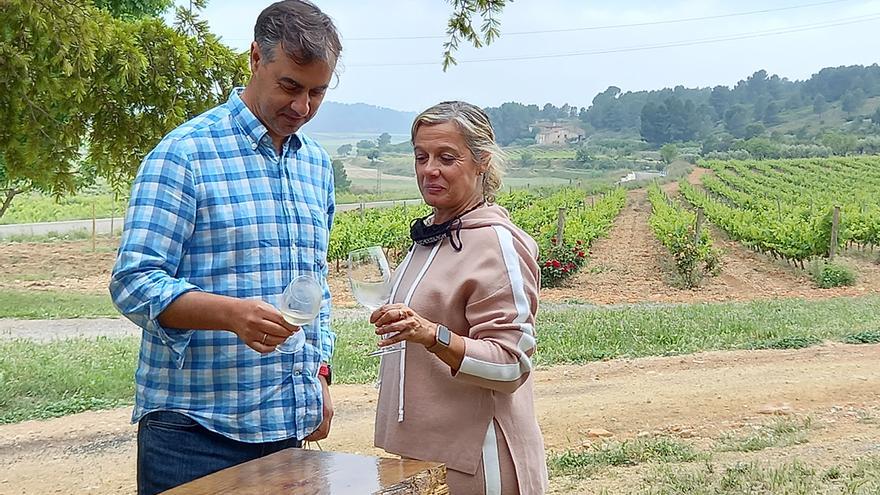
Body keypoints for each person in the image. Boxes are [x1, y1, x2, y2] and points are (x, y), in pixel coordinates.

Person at [108, 2, 341, 493]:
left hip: (286, 430)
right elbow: (133, 282)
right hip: (193, 436)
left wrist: (319, 375)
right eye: (290, 86)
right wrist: (231, 313)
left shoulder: (316, 165)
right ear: (256, 57)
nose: (303, 107)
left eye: (317, 92)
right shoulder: (184, 154)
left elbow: (313, 288)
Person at [370, 101, 549, 494]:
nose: (429, 169)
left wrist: (433, 335)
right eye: (422, 156)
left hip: (479, 458)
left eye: (446, 157)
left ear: (482, 161)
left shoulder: (495, 244)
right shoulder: (432, 236)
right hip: (423, 454)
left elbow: (510, 364)